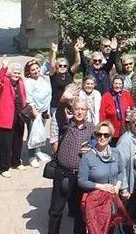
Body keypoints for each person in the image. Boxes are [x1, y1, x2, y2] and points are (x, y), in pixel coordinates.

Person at [48, 99, 94, 234]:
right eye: (77, 109)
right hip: (63, 174)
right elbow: (59, 114)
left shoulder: (92, 128)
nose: (80, 112)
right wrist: (62, 101)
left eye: (83, 109)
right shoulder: (66, 124)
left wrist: (91, 148)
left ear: (87, 111)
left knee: (80, 210)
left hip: (81, 176)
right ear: (72, 110)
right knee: (56, 209)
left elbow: (96, 143)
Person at [78, 120, 129, 234]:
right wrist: (101, 187)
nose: (102, 137)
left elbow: (121, 171)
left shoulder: (116, 153)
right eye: (99, 134)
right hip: (94, 202)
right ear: (95, 136)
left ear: (110, 137)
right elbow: (81, 181)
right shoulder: (88, 156)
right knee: (95, 230)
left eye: (106, 135)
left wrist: (118, 185)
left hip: (111, 199)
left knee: (110, 227)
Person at [0, 59, 27, 177]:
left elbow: (24, 97)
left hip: (19, 116)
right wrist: (4, 67)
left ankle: (16, 162)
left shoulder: (21, 82)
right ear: (10, 73)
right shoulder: (5, 81)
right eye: (14, 73)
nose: (17, 75)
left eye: (18, 73)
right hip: (6, 117)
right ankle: (4, 168)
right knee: (5, 144)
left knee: (17, 141)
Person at [24, 58, 52, 167]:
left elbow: (48, 63)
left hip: (44, 110)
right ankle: (31, 156)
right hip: (34, 112)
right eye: (33, 70)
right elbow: (29, 98)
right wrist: (35, 112)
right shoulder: (29, 82)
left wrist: (52, 52)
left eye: (37, 68)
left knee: (40, 132)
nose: (36, 71)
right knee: (33, 133)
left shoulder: (43, 78)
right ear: (28, 72)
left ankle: (38, 151)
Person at [100, 76, 136, 145]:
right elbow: (102, 115)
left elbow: (133, 108)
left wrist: (130, 113)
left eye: (120, 84)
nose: (118, 86)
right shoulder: (106, 96)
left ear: (122, 85)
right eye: (115, 84)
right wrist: (104, 129)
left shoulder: (127, 94)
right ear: (112, 84)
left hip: (125, 129)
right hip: (112, 130)